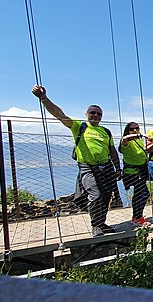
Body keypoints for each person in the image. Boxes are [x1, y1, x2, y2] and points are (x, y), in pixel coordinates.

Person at [31, 85, 122, 237]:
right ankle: (95, 226)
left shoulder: (106, 131)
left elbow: (112, 151)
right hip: (88, 168)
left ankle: (101, 223)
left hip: (106, 168)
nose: (95, 115)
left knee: (106, 197)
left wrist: (118, 168)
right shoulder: (79, 126)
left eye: (99, 114)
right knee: (96, 195)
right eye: (92, 113)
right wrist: (44, 99)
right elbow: (60, 115)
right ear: (86, 114)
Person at [119, 122, 151, 227]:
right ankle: (138, 217)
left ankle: (136, 217)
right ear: (127, 130)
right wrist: (141, 135)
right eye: (132, 129)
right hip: (132, 173)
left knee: (138, 194)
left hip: (140, 171)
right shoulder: (126, 142)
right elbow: (124, 139)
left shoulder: (139, 141)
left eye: (137, 128)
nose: (135, 130)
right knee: (144, 194)